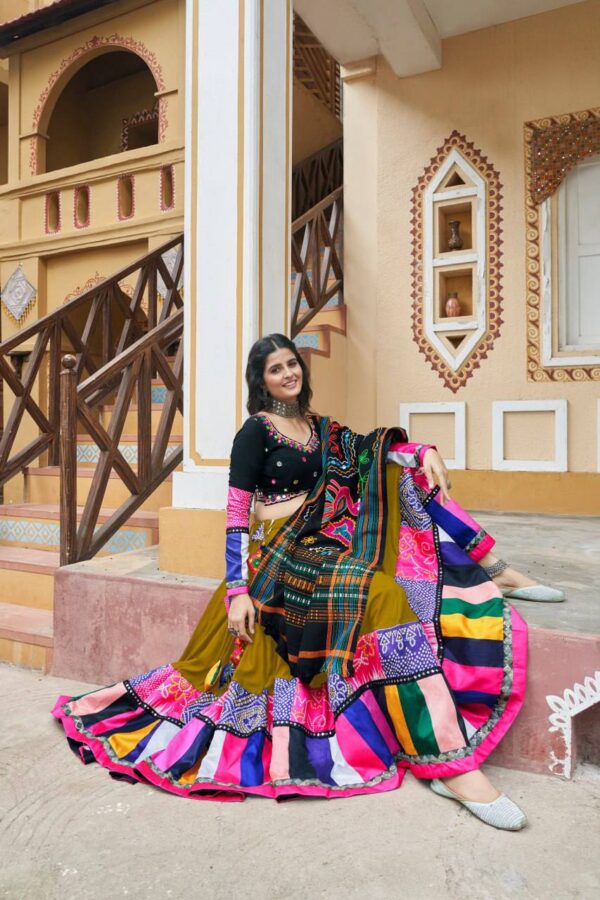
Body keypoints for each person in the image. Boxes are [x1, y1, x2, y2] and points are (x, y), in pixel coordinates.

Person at [53, 333, 559, 828]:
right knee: (381, 593)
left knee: (404, 475)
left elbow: (367, 451)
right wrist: (236, 591)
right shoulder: (255, 432)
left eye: (292, 363)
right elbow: (235, 516)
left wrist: (421, 449)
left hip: (325, 543)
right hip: (278, 553)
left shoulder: (323, 428)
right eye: (275, 369)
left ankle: (492, 568)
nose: (288, 373)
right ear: (262, 380)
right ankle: (450, 764)